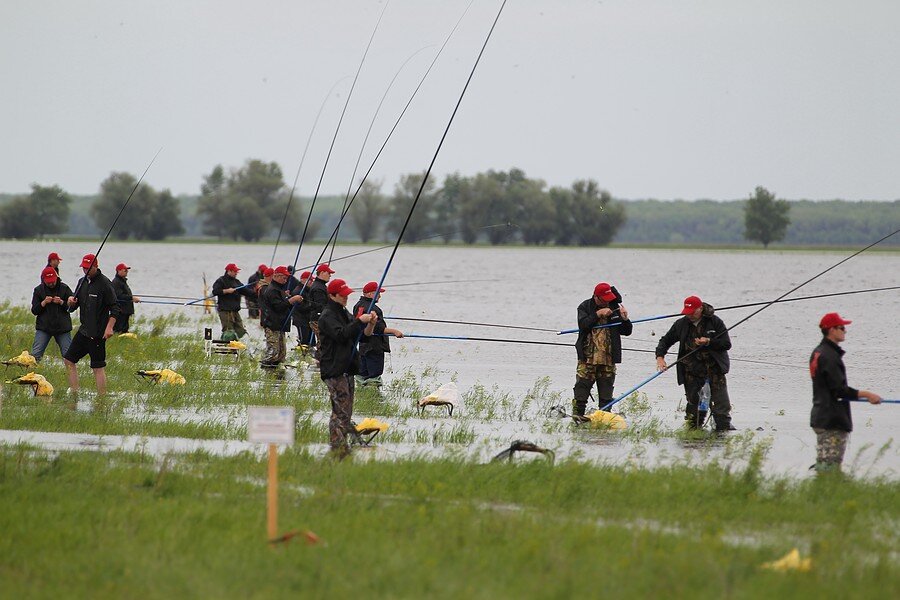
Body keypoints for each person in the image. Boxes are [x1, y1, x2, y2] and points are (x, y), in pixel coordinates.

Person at [809, 312, 881, 473]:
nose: (844, 331)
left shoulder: (819, 352)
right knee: (829, 469)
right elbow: (839, 391)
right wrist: (867, 395)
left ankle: (817, 493)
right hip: (831, 420)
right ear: (831, 330)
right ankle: (824, 493)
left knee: (824, 465)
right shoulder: (829, 356)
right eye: (841, 328)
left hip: (821, 415)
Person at [655, 295, 734, 431]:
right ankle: (693, 434)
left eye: (692, 312)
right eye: (687, 313)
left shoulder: (715, 322)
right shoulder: (681, 324)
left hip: (715, 371)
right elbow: (665, 341)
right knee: (694, 409)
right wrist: (660, 357)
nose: (689, 316)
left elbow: (726, 344)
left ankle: (722, 432)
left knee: (721, 406)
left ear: (700, 309)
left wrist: (709, 341)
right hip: (691, 372)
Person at [318, 278, 377, 456]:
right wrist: (360, 321)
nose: (346, 298)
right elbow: (341, 335)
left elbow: (361, 336)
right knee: (340, 411)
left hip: (347, 369)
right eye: (342, 295)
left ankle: (342, 446)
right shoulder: (327, 315)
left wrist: (370, 324)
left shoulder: (344, 313)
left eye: (347, 295)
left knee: (347, 411)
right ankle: (337, 447)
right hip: (334, 369)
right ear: (333, 295)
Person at [64, 253, 121, 396]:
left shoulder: (105, 284)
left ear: (96, 266)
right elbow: (72, 307)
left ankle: (102, 396)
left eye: (88, 268)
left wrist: (109, 328)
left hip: (98, 334)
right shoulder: (81, 282)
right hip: (83, 331)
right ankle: (75, 391)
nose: (86, 271)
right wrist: (70, 302)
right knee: (69, 360)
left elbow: (115, 308)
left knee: (97, 367)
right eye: (84, 268)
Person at [573, 282, 632, 416]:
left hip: (608, 359)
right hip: (588, 358)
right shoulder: (585, 307)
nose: (607, 302)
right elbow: (583, 326)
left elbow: (627, 331)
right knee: (581, 390)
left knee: (606, 394)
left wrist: (625, 319)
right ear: (596, 297)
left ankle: (604, 418)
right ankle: (578, 417)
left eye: (609, 299)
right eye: (604, 300)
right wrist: (598, 314)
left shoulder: (615, 307)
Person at [353, 281, 404, 387]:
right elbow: (378, 329)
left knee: (363, 372)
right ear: (370, 294)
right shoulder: (374, 309)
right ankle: (374, 397)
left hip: (363, 344)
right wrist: (395, 331)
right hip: (374, 346)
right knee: (374, 374)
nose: (380, 296)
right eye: (377, 293)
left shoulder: (358, 305)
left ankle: (362, 393)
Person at [259, 266, 304, 368]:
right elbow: (279, 307)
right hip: (272, 325)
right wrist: (292, 300)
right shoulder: (272, 290)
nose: (286, 280)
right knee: (273, 354)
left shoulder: (279, 289)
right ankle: (266, 373)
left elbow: (282, 303)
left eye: (286, 278)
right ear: (276, 276)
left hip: (280, 325)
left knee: (281, 354)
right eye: (284, 277)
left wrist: (287, 297)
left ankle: (276, 376)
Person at [31, 266, 73, 361]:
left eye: (52, 281)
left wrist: (62, 302)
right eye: (48, 281)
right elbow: (34, 311)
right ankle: (31, 375)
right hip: (44, 328)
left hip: (63, 328)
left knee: (68, 356)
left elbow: (72, 308)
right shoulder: (38, 290)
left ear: (56, 278)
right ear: (44, 280)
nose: (51, 283)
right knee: (35, 355)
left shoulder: (65, 288)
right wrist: (43, 303)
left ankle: (71, 375)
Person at [211, 263, 254, 339]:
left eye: (236, 271)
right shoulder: (221, 281)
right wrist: (226, 291)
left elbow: (246, 291)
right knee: (228, 333)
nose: (236, 273)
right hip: (225, 311)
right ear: (229, 271)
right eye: (235, 271)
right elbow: (215, 291)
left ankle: (235, 344)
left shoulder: (237, 282)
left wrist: (257, 292)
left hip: (235, 311)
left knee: (241, 331)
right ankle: (227, 346)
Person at [307, 263, 334, 357]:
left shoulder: (320, 285)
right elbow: (321, 306)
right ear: (322, 273)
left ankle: (320, 360)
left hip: (318, 318)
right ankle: (321, 360)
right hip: (318, 319)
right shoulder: (318, 288)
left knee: (322, 341)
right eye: (328, 273)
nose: (330, 275)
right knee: (323, 341)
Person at [111, 263, 140, 333]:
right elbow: (119, 296)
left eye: (127, 270)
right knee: (119, 329)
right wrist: (132, 298)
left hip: (125, 311)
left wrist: (131, 298)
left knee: (124, 329)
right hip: (121, 311)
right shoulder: (116, 282)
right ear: (119, 271)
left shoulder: (122, 281)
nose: (127, 272)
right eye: (125, 270)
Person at [292, 270, 316, 349]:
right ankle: (301, 356)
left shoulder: (308, 291)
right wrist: (312, 305)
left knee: (311, 341)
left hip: (308, 320)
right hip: (301, 320)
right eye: (309, 280)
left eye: (312, 280)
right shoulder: (298, 291)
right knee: (304, 340)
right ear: (302, 280)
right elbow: (300, 308)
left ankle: (310, 355)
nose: (311, 282)